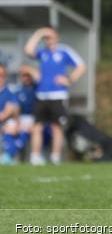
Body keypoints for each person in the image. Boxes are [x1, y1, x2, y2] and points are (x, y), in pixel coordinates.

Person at [23, 27, 86, 165]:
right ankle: (35, 156)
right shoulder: (42, 52)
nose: (47, 39)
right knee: (37, 126)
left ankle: (55, 157)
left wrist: (69, 79)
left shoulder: (64, 51)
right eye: (46, 37)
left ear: (56, 37)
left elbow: (81, 65)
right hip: (41, 95)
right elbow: (28, 50)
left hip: (57, 95)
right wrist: (38, 33)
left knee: (56, 127)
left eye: (49, 36)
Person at [14, 65, 38, 160]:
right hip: (22, 118)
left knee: (28, 130)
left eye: (28, 75)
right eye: (24, 75)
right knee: (13, 129)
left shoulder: (37, 88)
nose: (26, 78)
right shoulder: (18, 90)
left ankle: (11, 153)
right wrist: (17, 122)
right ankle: (11, 155)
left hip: (35, 118)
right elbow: (16, 108)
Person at [0, 63, 20, 165]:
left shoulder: (9, 92)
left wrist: (17, 123)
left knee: (11, 125)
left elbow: (11, 110)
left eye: (2, 75)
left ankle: (8, 157)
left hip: (3, 123)